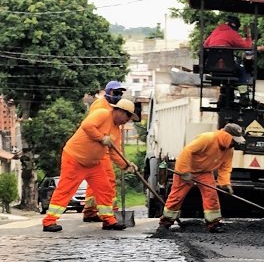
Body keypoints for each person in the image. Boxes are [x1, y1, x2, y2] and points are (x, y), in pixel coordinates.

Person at [42, 98, 137, 232]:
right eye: (127, 117)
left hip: (94, 164)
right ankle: (49, 221)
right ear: (120, 111)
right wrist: (101, 137)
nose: (127, 121)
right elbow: (87, 125)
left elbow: (115, 153)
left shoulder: (116, 131)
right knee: (65, 190)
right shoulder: (103, 113)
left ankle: (108, 220)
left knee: (105, 189)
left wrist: (127, 166)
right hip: (75, 158)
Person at [157, 123, 246, 234]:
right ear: (226, 136)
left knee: (211, 194)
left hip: (204, 172)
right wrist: (184, 171)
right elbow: (187, 151)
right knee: (177, 196)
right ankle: (165, 223)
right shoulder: (207, 138)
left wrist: (225, 183)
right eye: (233, 140)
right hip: (187, 170)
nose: (234, 144)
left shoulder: (229, 149)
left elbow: (225, 167)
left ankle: (214, 223)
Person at [80, 81, 126, 222]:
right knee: (108, 180)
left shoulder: (113, 107)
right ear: (108, 92)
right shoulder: (100, 106)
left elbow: (116, 143)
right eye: (115, 93)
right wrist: (102, 139)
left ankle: (90, 211)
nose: (118, 95)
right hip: (98, 147)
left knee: (95, 182)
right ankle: (110, 211)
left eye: (120, 93)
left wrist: (125, 163)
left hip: (102, 147)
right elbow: (91, 126)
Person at [204, 17, 255, 87]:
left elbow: (205, 45)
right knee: (243, 71)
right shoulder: (232, 33)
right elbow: (247, 46)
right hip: (228, 66)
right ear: (234, 25)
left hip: (212, 65)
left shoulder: (215, 31)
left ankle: (222, 93)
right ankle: (243, 94)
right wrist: (248, 35)